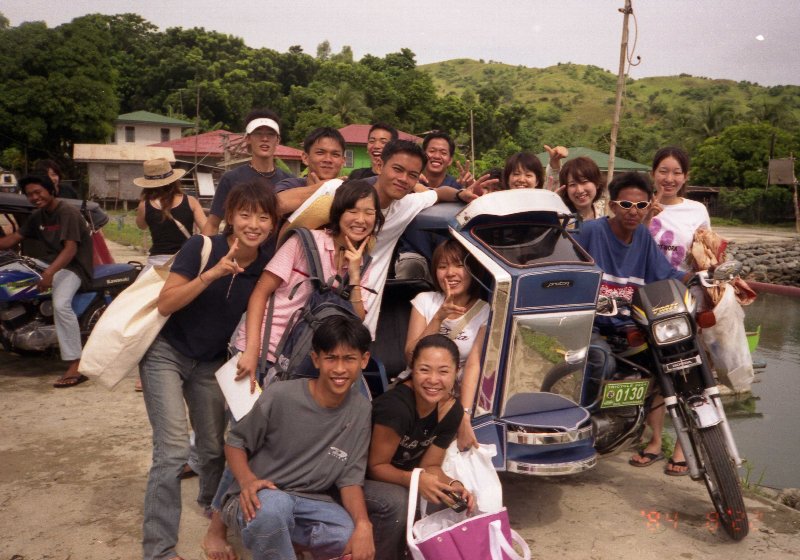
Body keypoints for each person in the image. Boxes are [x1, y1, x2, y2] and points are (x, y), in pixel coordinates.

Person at [201, 179, 382, 559]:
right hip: (263, 350)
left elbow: (355, 321)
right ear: (338, 213)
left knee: (273, 436)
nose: (361, 219)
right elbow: (261, 292)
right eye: (353, 210)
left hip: (303, 360)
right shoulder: (306, 242)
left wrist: (353, 275)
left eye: (369, 212)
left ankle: (281, 525)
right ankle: (216, 529)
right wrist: (252, 351)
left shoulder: (362, 260)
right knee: (246, 436)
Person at [139, 180, 277, 560]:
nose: (254, 225)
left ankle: (208, 502)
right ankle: (159, 550)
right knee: (171, 451)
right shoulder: (202, 247)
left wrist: (252, 351)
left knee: (214, 447)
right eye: (245, 215)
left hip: (211, 363)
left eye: (263, 217)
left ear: (272, 223)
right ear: (230, 215)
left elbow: (259, 307)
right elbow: (166, 304)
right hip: (166, 353)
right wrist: (212, 274)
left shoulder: (265, 264)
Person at [285, 139, 478, 337]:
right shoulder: (341, 195)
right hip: (306, 321)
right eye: (397, 169)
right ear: (379, 165)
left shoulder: (405, 206)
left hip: (359, 329)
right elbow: (289, 228)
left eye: (412, 175)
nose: (403, 179)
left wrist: (461, 194)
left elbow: (439, 193)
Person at [219, 315, 375, 560]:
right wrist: (247, 481)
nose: (340, 369)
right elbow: (235, 443)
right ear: (316, 359)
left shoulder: (361, 409)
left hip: (312, 502)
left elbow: (350, 478)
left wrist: (364, 525)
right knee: (274, 509)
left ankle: (285, 543)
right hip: (263, 496)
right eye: (331, 358)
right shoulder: (281, 395)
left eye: (349, 359)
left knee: (348, 537)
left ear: (364, 360)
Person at [571, 173, 688, 478]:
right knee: (601, 359)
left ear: (649, 206)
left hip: (627, 324)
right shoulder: (590, 231)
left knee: (673, 357)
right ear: (612, 205)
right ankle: (579, 428)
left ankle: (648, 431)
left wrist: (703, 277)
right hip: (591, 324)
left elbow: (667, 275)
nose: (633, 211)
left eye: (640, 205)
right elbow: (566, 267)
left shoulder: (644, 239)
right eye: (626, 204)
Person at [631, 147, 711, 476]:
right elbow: (627, 243)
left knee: (687, 369)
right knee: (653, 370)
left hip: (682, 296)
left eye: (677, 172)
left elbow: (703, 253)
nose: (669, 178)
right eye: (663, 171)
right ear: (653, 173)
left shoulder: (696, 210)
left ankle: (681, 446)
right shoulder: (638, 205)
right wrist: (645, 219)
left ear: (685, 177)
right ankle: (654, 441)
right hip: (644, 298)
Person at [365, 334, 476, 560]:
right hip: (361, 479)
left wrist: (452, 485)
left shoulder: (452, 411)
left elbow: (431, 465)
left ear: (456, 372)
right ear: (413, 370)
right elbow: (375, 467)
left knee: (448, 500)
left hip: (402, 477)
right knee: (399, 499)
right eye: (424, 370)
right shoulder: (396, 408)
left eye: (443, 371)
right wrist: (416, 481)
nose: (433, 380)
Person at [0, 175, 93, 387]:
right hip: (48, 263)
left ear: (51, 190)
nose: (34, 197)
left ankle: (76, 364)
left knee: (61, 305)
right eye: (30, 194)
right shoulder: (38, 215)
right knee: (8, 279)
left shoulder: (67, 212)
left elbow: (70, 249)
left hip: (74, 267)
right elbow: (13, 239)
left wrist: (49, 274)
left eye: (38, 192)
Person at [404, 239, 490, 449]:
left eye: (459, 265)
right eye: (442, 267)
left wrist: (464, 415)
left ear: (472, 270)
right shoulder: (425, 301)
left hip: (458, 394)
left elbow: (473, 364)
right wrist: (438, 318)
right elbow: (410, 356)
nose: (450, 273)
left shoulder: (484, 310)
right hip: (423, 388)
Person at [203, 109, 293, 235]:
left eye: (271, 134)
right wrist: (205, 246)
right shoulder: (231, 178)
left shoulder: (290, 182)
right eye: (258, 133)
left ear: (278, 140)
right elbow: (213, 224)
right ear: (248, 138)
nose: (265, 139)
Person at [135, 158, 207, 269]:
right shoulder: (191, 201)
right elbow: (207, 230)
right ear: (174, 180)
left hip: (157, 263)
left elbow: (141, 226)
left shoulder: (144, 205)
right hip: (185, 260)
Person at [273, 127, 347, 220]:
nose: (328, 159)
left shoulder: (348, 192)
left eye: (335, 154)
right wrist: (326, 188)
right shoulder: (290, 185)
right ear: (305, 158)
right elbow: (275, 205)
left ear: (343, 161)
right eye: (320, 153)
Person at [557, 156, 606, 221]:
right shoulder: (558, 218)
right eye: (572, 184)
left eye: (584, 182)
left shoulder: (606, 212)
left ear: (597, 183)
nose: (580, 190)